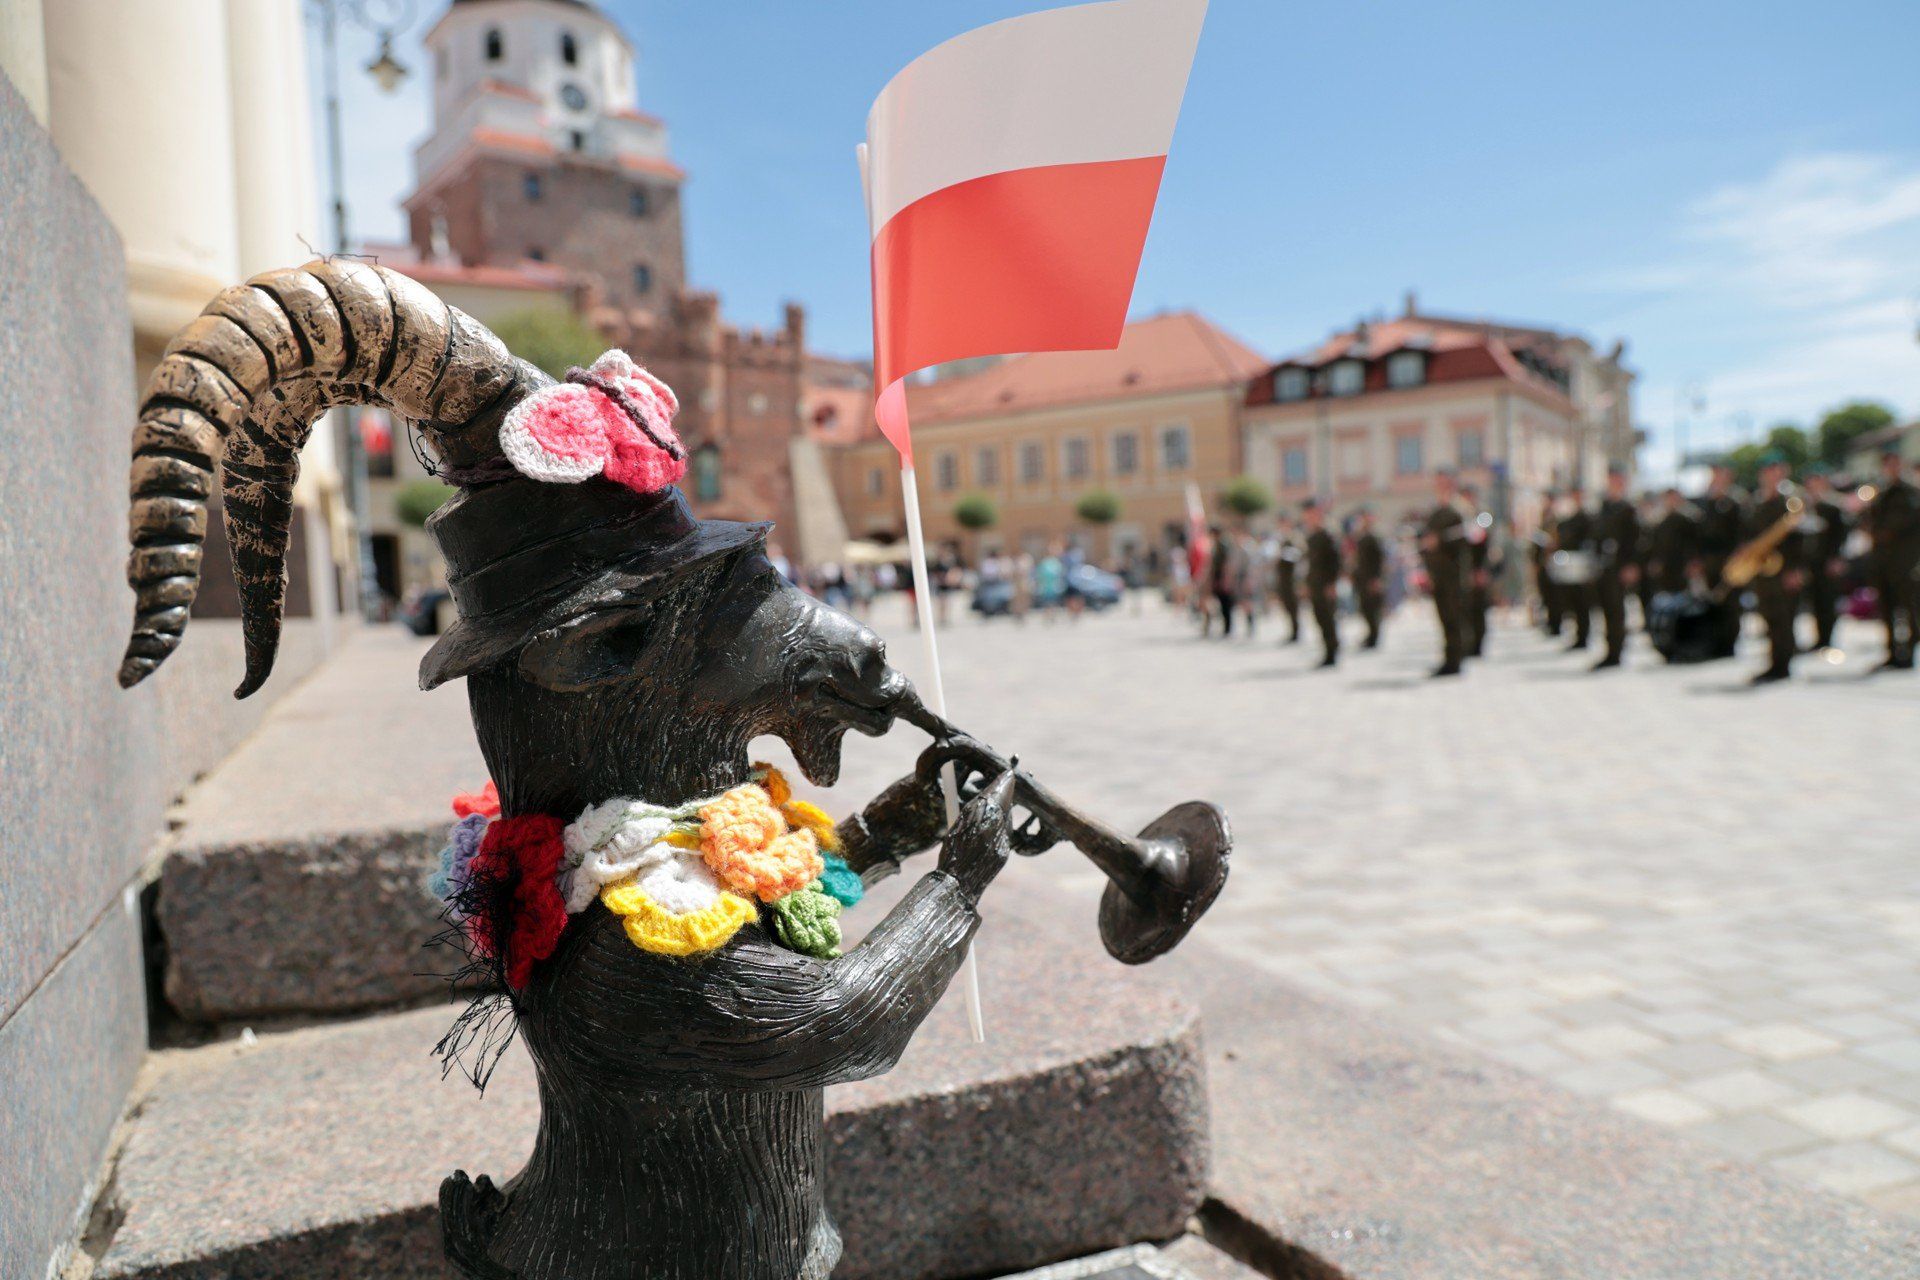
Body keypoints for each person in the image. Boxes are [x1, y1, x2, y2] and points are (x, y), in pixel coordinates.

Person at [1743, 455, 1805, 685]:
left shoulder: (1792, 500)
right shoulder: (1757, 502)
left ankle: (1783, 666)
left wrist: (1795, 569)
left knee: (1785, 617)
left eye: (1776, 470)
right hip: (1762, 569)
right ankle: (1774, 662)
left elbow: (1801, 537)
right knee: (1768, 617)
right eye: (1768, 471)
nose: (1772, 475)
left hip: (1784, 569)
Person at [1865, 449, 1920, 671]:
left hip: (1905, 560)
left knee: (1909, 608)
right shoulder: (1881, 492)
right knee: (1886, 607)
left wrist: (1883, 529)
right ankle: (1892, 650)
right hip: (1883, 559)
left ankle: (1908, 651)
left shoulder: (1911, 491)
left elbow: (1905, 520)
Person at [1419, 470, 1469, 677]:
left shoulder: (1458, 510)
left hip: (1453, 574)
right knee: (1443, 618)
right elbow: (1425, 540)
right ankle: (1449, 658)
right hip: (1437, 573)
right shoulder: (1436, 511)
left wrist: (1440, 541)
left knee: (1453, 617)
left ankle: (1455, 660)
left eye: (1444, 482)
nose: (1440, 486)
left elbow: (1466, 540)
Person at [1590, 466, 1640, 670]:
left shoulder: (1628, 508)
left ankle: (1617, 652)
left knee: (1616, 609)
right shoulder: (1604, 506)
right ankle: (1610, 649)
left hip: (1620, 564)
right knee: (1605, 609)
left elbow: (1635, 539)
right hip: (1604, 565)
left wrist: (1631, 565)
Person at [1695, 464, 1747, 659]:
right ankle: (1716, 642)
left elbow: (1741, 531)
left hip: (1729, 560)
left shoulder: (1735, 501)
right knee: (1713, 602)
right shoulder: (1707, 502)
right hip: (1710, 561)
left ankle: (1730, 643)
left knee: (1731, 603)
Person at [1801, 468, 1850, 653]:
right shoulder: (1804, 506)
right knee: (1813, 600)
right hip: (1810, 561)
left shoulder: (1833, 506)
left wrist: (1837, 558)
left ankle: (1827, 637)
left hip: (1828, 561)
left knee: (1828, 600)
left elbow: (1841, 535)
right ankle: (1819, 637)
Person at [1301, 499, 1341, 667]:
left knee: (1328, 619)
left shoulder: (1327, 535)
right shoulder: (1312, 536)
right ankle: (1327, 651)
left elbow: (1335, 562)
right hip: (1315, 584)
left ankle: (1332, 652)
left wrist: (1332, 584)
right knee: (1319, 618)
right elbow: (1310, 564)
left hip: (1325, 585)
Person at [1554, 491, 1595, 652]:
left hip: (1581, 565)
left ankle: (1583, 636)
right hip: (1569, 566)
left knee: (1582, 602)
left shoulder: (1585, 518)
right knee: (1573, 603)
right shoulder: (1566, 519)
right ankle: (1578, 635)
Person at [1458, 482, 1493, 658]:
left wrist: (1480, 569)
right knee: (1465, 609)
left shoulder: (1481, 516)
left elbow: (1482, 545)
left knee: (1478, 608)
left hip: (1477, 569)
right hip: (1463, 570)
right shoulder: (1461, 516)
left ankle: (1478, 644)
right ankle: (1468, 642)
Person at [1644, 487, 1697, 596]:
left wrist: (1691, 563)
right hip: (1663, 567)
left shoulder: (1687, 520)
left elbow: (1692, 543)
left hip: (1681, 565)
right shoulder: (1658, 521)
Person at [1351, 507, 1386, 649]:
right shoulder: (1362, 536)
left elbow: (1380, 560)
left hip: (1371, 578)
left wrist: (1377, 579)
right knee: (1365, 608)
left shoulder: (1374, 537)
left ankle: (1374, 637)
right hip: (1362, 578)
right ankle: (1370, 635)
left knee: (1373, 609)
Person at [1533, 489, 1565, 637]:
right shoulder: (1542, 520)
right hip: (1543, 563)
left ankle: (1557, 624)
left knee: (1556, 597)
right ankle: (1551, 622)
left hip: (1555, 562)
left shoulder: (1558, 520)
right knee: (1546, 595)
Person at [1273, 513, 1303, 645]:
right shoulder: (1282, 539)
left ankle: (1296, 632)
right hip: (1284, 579)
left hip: (1292, 579)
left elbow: (1299, 556)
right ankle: (1293, 631)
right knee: (1287, 606)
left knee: (1293, 606)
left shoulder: (1294, 538)